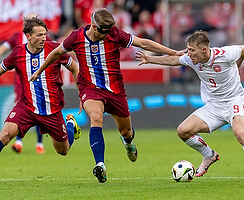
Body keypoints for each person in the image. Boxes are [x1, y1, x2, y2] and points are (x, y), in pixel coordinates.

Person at [30, 8, 183, 183]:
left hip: (116, 90)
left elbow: (143, 43)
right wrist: (39, 72)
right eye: (104, 31)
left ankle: (128, 143)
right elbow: (56, 53)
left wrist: (173, 52)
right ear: (94, 27)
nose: (107, 35)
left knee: (126, 131)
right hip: (90, 88)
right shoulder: (76, 37)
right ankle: (100, 165)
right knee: (96, 118)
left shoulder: (115, 34)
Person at [135, 30, 244, 186]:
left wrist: (236, 67)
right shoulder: (192, 59)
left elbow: (243, 49)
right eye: (188, 49)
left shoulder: (225, 54)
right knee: (183, 131)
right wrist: (149, 59)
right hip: (214, 106)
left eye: (192, 50)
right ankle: (209, 155)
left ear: (204, 50)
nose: (189, 53)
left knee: (240, 133)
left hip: (235, 101)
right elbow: (174, 60)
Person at [0, 16, 81, 157]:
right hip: (26, 107)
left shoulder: (55, 50)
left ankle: (70, 124)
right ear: (28, 36)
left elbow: (75, 69)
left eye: (45, 34)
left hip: (52, 110)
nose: (44, 38)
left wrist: (82, 94)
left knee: (63, 150)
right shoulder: (17, 53)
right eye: (39, 35)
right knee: (5, 135)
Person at [0, 14, 54, 154]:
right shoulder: (16, 36)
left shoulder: (42, 37)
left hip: (40, 81)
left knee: (39, 109)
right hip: (21, 81)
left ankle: (39, 143)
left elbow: (57, 50)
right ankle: (18, 142)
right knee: (22, 107)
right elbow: (4, 48)